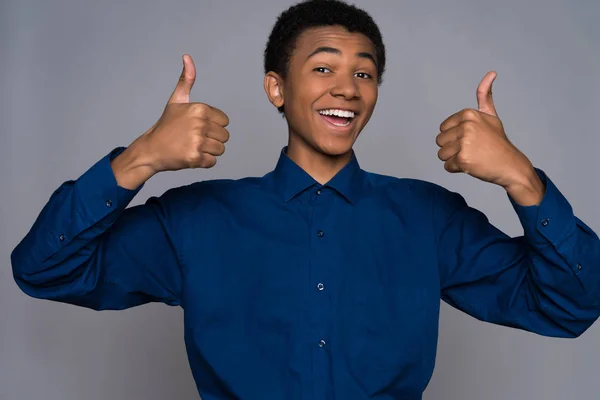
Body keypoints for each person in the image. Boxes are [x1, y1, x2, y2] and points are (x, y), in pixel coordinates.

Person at [11, 0, 600, 399]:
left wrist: (522, 179)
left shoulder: (430, 219)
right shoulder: (194, 220)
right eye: (323, 67)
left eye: (364, 74)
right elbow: (44, 269)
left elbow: (571, 306)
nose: (346, 87)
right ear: (277, 87)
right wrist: (139, 158)